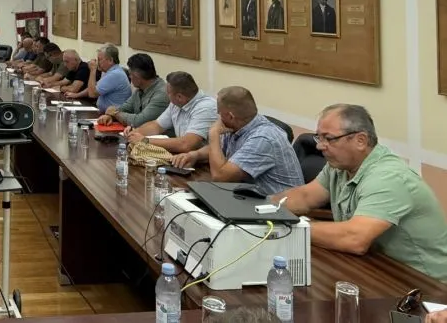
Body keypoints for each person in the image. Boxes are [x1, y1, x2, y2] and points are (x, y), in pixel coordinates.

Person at [271, 104, 447, 280]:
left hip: (423, 283)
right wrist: (263, 209)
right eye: (319, 138)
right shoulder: (339, 166)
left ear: (360, 140)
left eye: (329, 138)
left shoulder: (388, 177)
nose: (320, 146)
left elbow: (355, 239)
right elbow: (305, 197)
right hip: (374, 267)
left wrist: (286, 228)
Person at [170, 86, 303, 195]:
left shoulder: (263, 138)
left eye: (219, 113)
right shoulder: (239, 124)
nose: (218, 117)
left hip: (277, 208)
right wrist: (195, 155)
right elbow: (219, 148)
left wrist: (213, 134)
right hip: (248, 195)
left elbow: (220, 177)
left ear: (230, 116)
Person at [124, 71, 217, 153]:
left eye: (168, 93)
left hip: (203, 163)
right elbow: (157, 126)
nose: (166, 96)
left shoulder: (206, 108)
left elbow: (186, 144)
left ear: (179, 97)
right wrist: (135, 133)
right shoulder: (177, 103)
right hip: (184, 157)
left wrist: (144, 141)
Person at [97, 54, 168, 128]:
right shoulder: (140, 89)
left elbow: (139, 122)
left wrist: (115, 114)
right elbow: (125, 108)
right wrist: (109, 116)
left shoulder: (161, 94)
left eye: (130, 74)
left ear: (137, 75)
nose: (130, 77)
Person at [89, 44, 130, 113]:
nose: (97, 63)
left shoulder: (115, 74)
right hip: (104, 113)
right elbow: (94, 87)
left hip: (113, 116)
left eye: (100, 59)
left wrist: (92, 70)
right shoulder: (110, 71)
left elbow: (92, 94)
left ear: (110, 60)